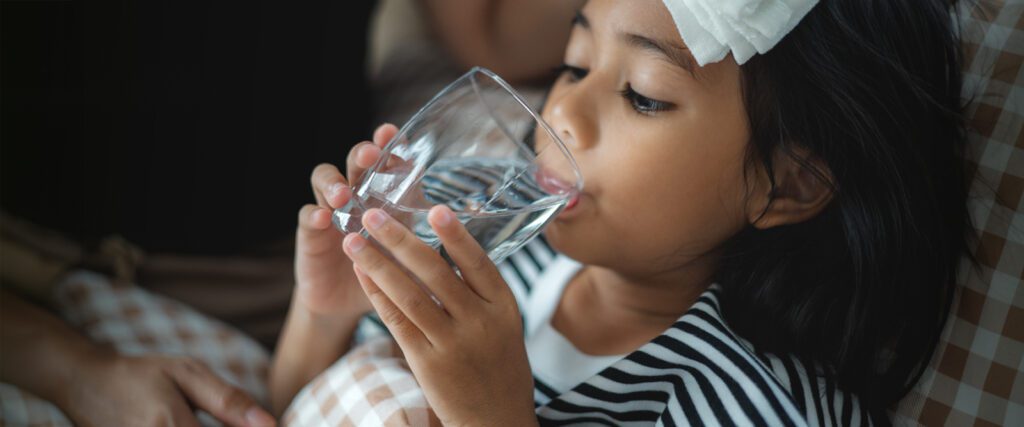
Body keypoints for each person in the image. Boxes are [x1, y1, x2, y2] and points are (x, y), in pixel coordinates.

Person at [270, 0, 970, 424]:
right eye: (574, 64)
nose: (562, 109)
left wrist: (492, 416)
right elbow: (291, 407)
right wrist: (324, 315)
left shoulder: (754, 404)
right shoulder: (494, 244)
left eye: (642, 95)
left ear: (785, 185)